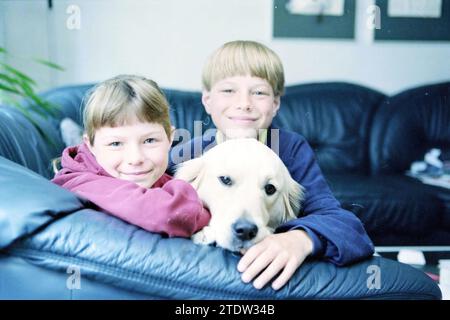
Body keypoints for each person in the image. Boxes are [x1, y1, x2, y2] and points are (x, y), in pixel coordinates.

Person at [169, 40, 374, 290]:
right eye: (228, 91)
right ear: (208, 100)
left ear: (275, 104)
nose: (244, 103)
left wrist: (299, 240)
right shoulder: (191, 152)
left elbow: (346, 227)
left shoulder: (292, 150)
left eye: (259, 92)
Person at [52, 75, 210, 238]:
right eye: (116, 144)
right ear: (90, 145)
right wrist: (202, 204)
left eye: (149, 140)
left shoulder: (157, 178)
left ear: (170, 138)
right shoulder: (83, 183)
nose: (135, 158)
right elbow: (168, 214)